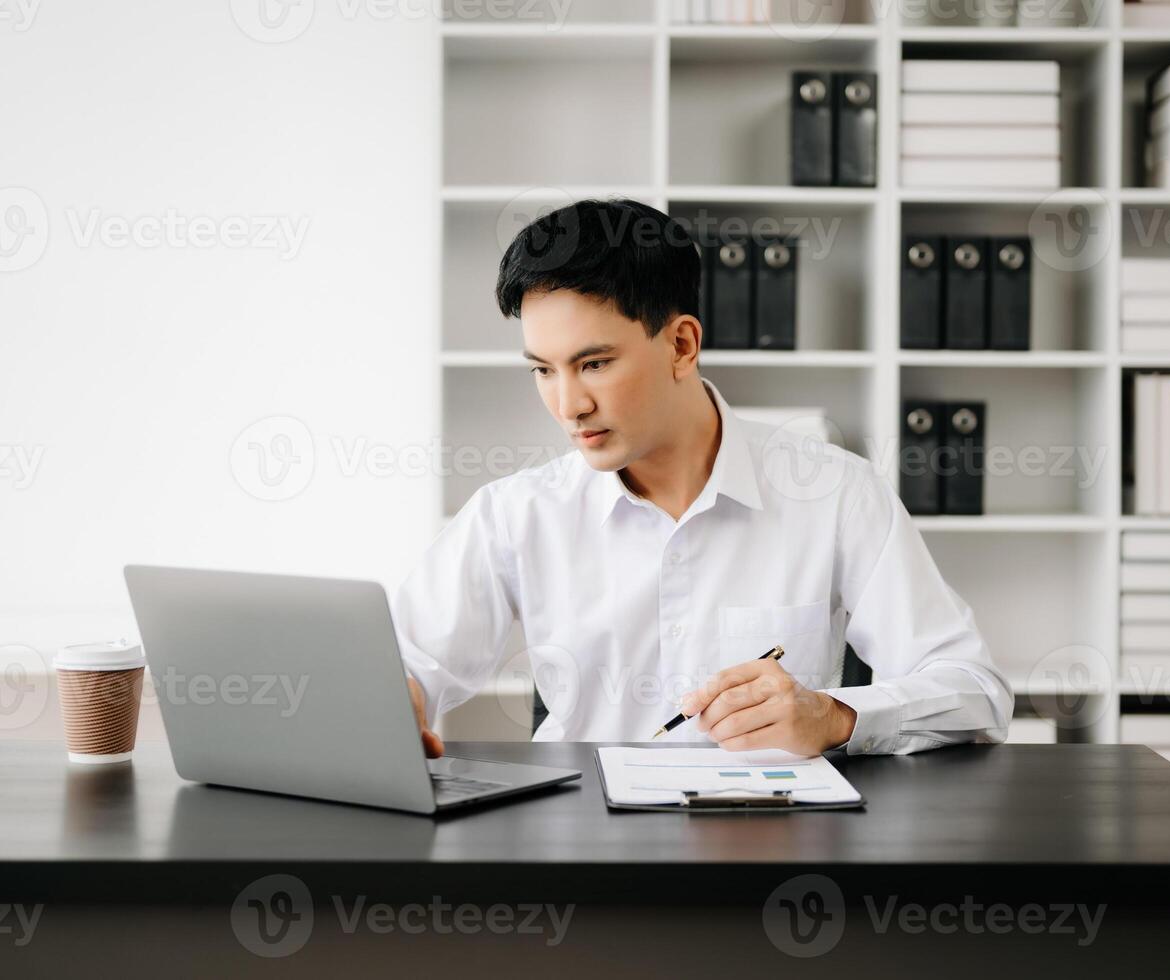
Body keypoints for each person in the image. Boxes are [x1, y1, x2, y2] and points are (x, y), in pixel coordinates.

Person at [396, 198, 1011, 759]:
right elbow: (407, 666)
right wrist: (402, 698)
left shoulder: (834, 493)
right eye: (543, 370)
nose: (568, 404)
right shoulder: (516, 512)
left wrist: (833, 715)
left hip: (765, 842)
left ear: (682, 345)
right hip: (578, 841)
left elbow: (974, 690)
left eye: (594, 364)